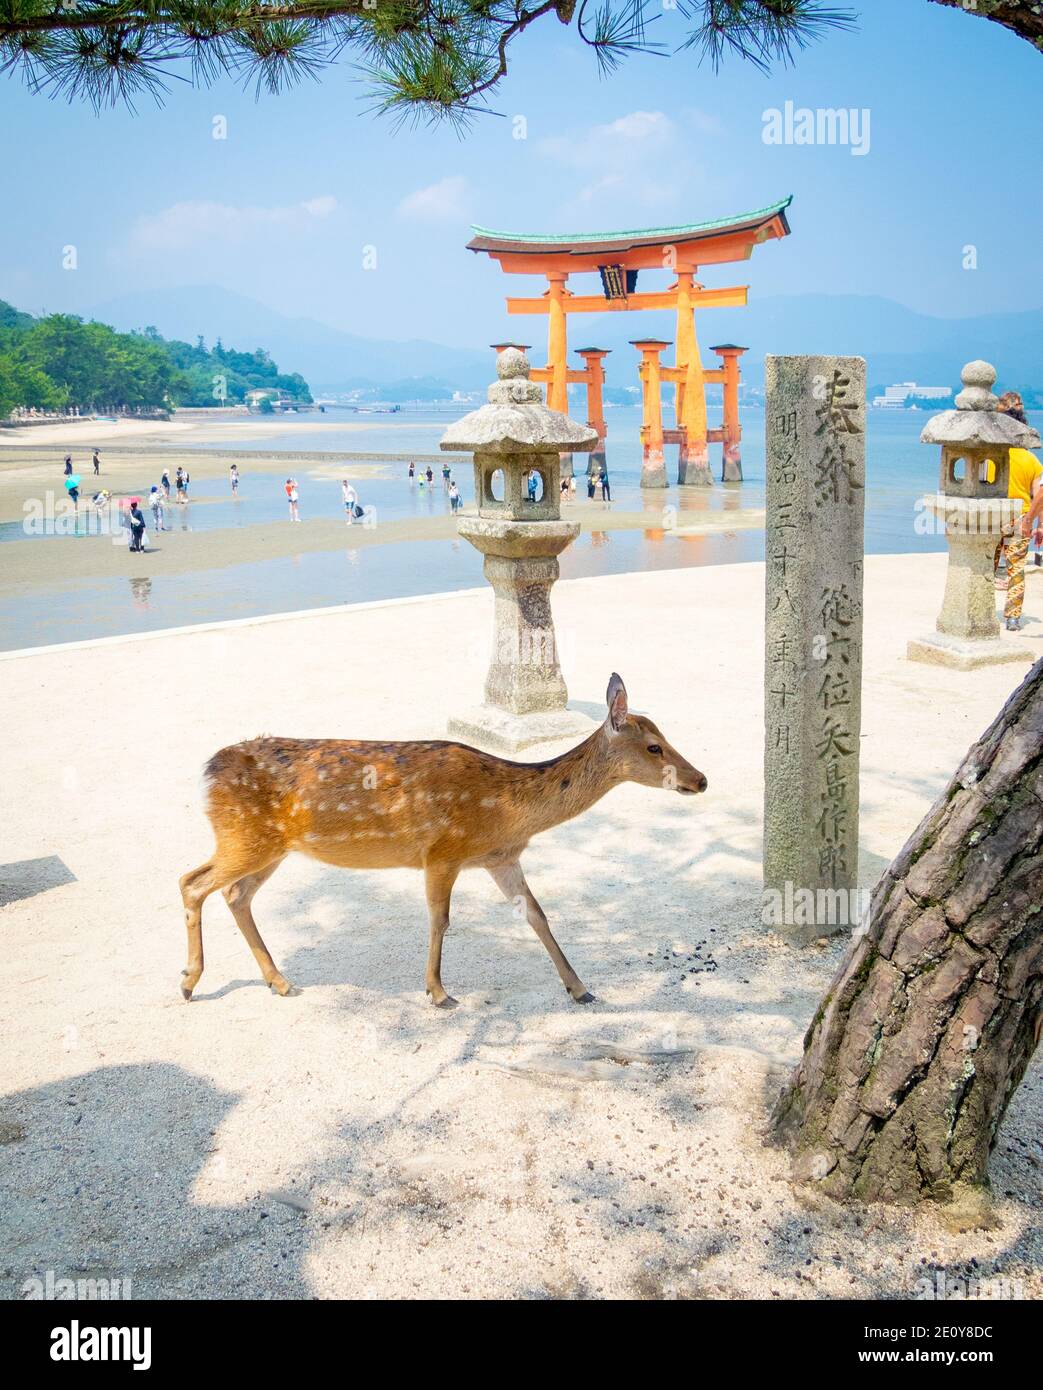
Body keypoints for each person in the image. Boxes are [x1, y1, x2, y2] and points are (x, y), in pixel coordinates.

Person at [993, 392, 1043, 632]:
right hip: (1020, 518)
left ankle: (981, 611)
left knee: (986, 568)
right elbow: (1040, 494)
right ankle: (1012, 617)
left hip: (992, 518)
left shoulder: (992, 457)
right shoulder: (1031, 460)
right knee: (1016, 570)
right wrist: (1037, 523)